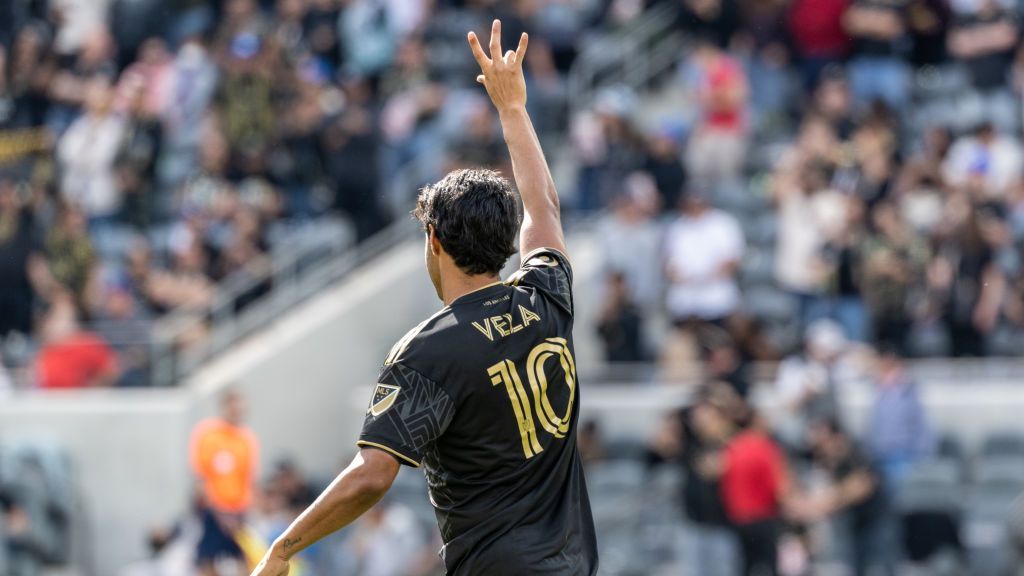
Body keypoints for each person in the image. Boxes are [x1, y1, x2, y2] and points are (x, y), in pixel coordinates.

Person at [251, 20, 598, 576]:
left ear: (433, 240)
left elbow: (372, 474)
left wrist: (283, 547)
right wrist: (512, 108)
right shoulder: (546, 298)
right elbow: (546, 209)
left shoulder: (426, 353)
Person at [804, 419, 894, 576]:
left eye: (823, 441)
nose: (820, 447)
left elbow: (862, 485)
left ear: (837, 437)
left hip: (877, 520)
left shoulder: (856, 450)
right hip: (856, 521)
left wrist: (824, 504)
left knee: (882, 567)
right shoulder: (830, 459)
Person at [191, 389, 260, 576]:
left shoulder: (246, 438)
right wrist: (219, 512)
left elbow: (249, 480)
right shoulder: (209, 434)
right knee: (207, 561)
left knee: (244, 560)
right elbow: (202, 478)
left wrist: (243, 511)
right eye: (233, 405)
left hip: (238, 513)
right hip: (213, 512)